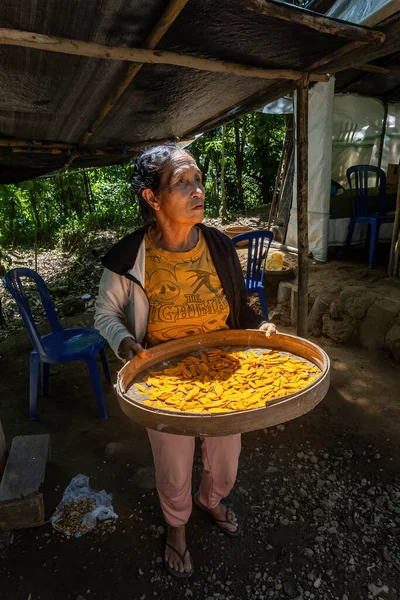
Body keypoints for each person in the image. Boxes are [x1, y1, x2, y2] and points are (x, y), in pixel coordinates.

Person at [95, 143, 276, 578]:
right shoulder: (128, 258)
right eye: (182, 183)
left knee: (226, 453)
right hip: (163, 379)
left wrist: (260, 326)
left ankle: (211, 500)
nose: (197, 190)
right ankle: (176, 527)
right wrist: (124, 343)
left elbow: (242, 300)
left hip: (224, 371)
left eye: (198, 180)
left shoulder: (216, 243)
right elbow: (104, 312)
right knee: (174, 463)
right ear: (152, 198)